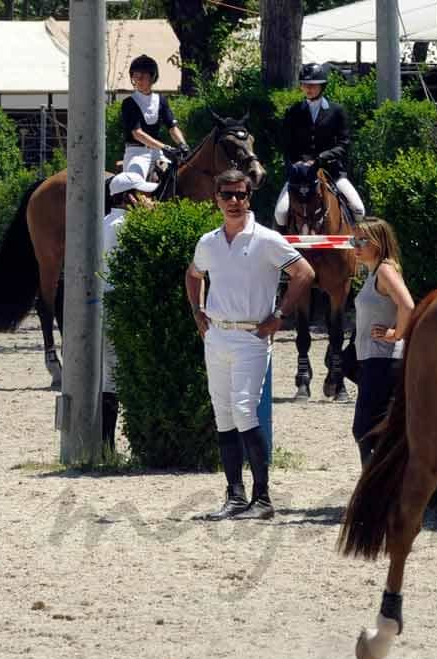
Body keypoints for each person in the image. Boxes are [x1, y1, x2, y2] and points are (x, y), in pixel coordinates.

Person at [185, 168, 316, 521]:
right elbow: (193, 274)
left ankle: (262, 497)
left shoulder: (267, 239)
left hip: (251, 337)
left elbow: (304, 273)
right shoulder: (208, 242)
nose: (234, 201)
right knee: (223, 413)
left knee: (244, 409)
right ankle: (235, 495)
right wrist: (198, 313)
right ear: (216, 198)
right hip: (217, 335)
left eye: (240, 195)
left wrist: (279, 315)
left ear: (249, 197)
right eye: (227, 194)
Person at [100, 171, 158, 451]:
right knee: (115, 374)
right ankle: (107, 446)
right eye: (144, 194)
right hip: (120, 302)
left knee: (108, 372)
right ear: (128, 197)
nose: (150, 199)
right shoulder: (127, 226)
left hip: (104, 301)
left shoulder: (104, 222)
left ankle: (105, 445)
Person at [351, 217, 414, 467]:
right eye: (353, 240)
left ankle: (375, 490)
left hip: (384, 359)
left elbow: (407, 305)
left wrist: (395, 334)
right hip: (374, 359)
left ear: (378, 242)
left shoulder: (385, 270)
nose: (356, 245)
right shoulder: (374, 271)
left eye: (362, 240)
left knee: (367, 429)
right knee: (372, 429)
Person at [274, 63, 366, 227]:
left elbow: (344, 144)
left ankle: (356, 246)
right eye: (305, 85)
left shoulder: (337, 111)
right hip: (300, 174)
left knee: (359, 209)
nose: (308, 88)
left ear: (322, 86)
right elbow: (286, 144)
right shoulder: (293, 111)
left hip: (331, 172)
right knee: (280, 213)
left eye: (313, 85)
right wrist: (298, 163)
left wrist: (321, 158)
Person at [121, 54, 189, 183]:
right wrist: (165, 147)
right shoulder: (129, 103)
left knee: (176, 177)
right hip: (136, 153)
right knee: (134, 181)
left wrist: (182, 144)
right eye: (135, 76)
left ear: (152, 77)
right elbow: (137, 134)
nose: (138, 80)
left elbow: (172, 127)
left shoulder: (161, 100)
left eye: (142, 76)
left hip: (158, 154)